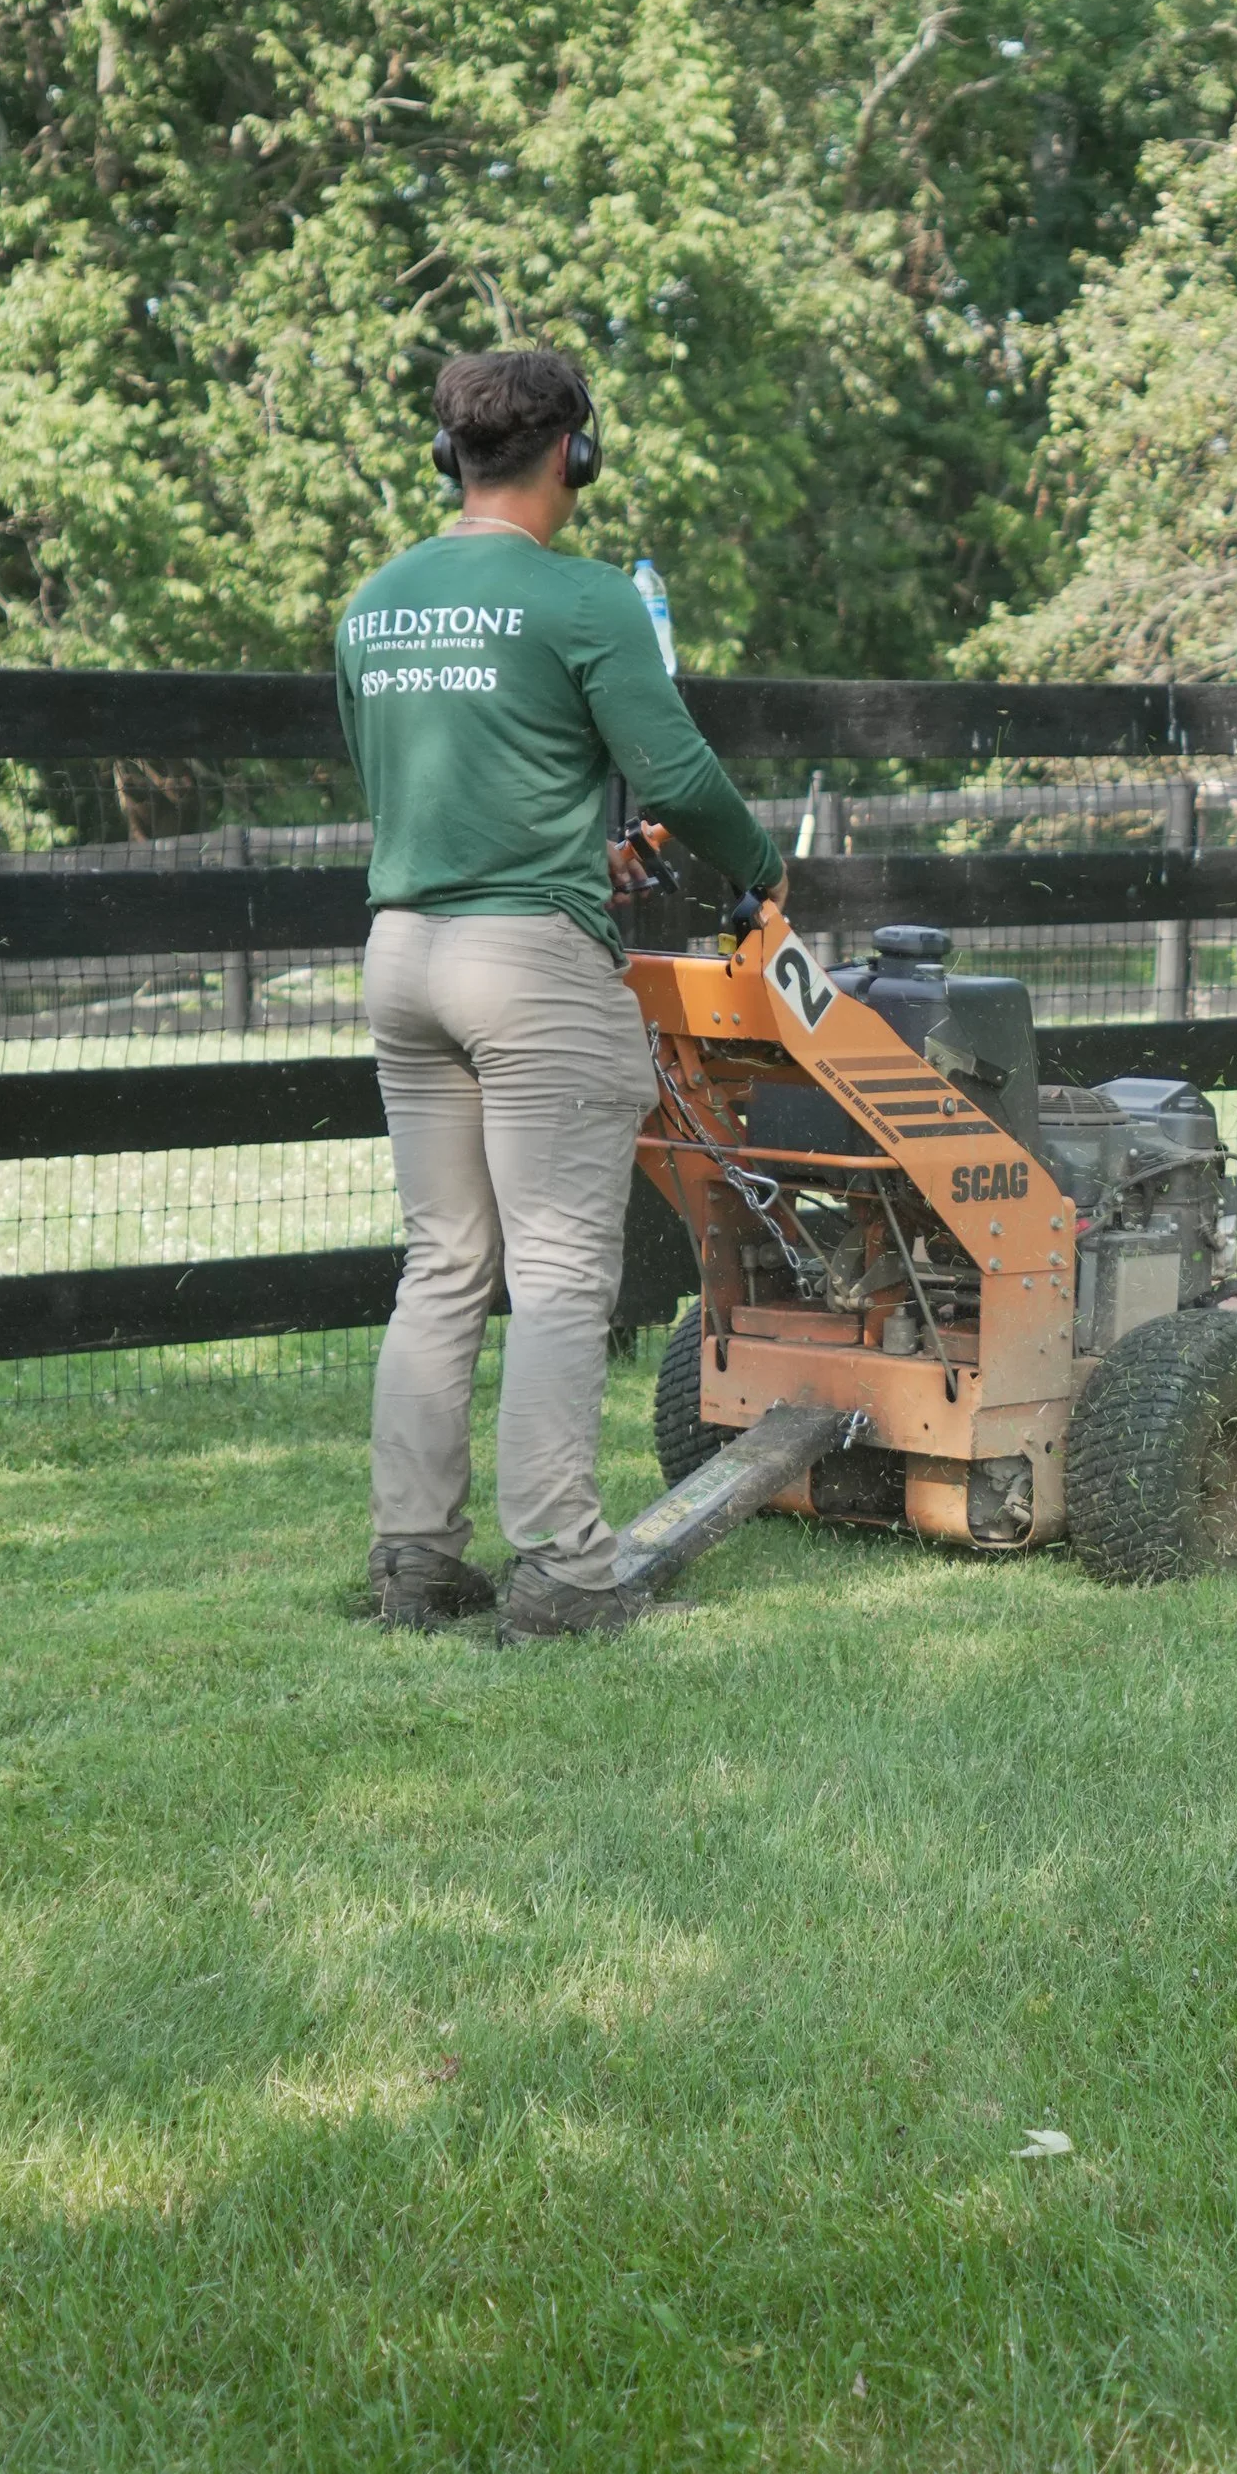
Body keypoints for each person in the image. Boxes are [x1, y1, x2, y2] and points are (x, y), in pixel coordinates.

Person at [333, 344, 785, 1638]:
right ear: (571, 455)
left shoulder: (371, 604)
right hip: (529, 970)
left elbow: (420, 788)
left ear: (450, 455)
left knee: (443, 1262)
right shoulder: (583, 602)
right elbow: (683, 777)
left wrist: (560, 843)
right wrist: (758, 867)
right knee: (562, 1264)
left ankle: (414, 1557)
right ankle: (566, 1570)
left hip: (405, 953)